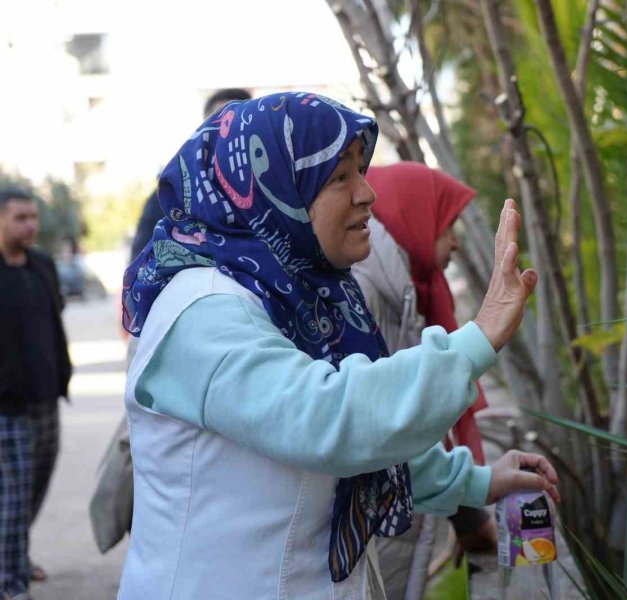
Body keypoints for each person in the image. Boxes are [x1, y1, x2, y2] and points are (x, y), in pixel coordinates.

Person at [118, 91, 556, 599]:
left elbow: (367, 444)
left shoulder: (301, 296)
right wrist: (477, 339)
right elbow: (326, 420)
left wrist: (475, 482)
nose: (367, 193)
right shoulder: (202, 310)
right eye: (338, 177)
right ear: (273, 189)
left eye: (360, 171)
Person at [89, 88, 255, 555]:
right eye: (220, 123)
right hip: (175, 340)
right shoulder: (173, 192)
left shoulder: (265, 193)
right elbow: (142, 276)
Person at [352, 163, 496, 598]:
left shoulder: (404, 290)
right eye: (447, 224)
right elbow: (383, 427)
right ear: (415, 216)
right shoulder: (368, 292)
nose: (455, 241)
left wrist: (467, 514)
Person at [0, 186, 72, 600]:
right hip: (6, 407)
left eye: (33, 217)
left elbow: (54, 320)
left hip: (46, 396)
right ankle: (10, 582)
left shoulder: (42, 264)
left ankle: (14, 558)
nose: (31, 226)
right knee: (12, 496)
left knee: (34, 487)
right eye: (20, 218)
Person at [128, 88, 252, 263]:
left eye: (236, 124)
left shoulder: (278, 190)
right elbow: (143, 263)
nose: (227, 134)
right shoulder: (170, 196)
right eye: (220, 123)